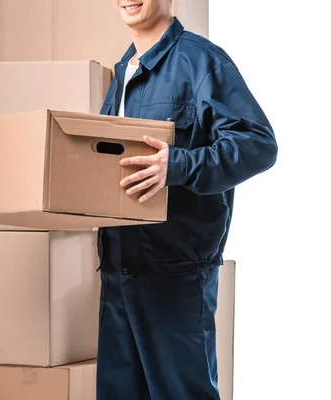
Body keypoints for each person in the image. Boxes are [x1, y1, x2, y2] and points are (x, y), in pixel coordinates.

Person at [96, 1, 278, 399]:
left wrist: (178, 166)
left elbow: (258, 145)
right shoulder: (123, 71)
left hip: (174, 274)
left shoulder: (202, 61)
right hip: (119, 270)